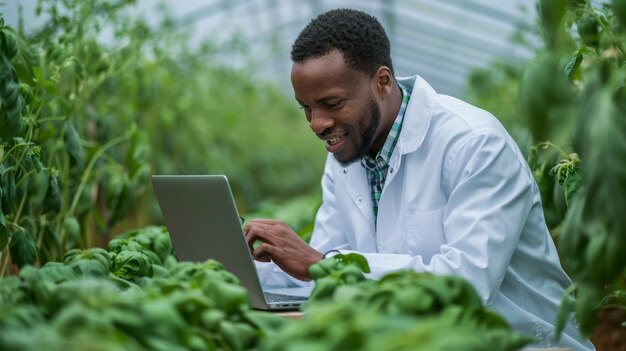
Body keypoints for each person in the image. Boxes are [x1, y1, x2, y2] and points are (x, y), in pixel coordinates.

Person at [244, 8, 594, 350]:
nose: (316, 123)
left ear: (382, 81)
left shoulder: (474, 143)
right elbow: (320, 275)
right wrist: (247, 267)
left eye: (332, 103)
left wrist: (322, 265)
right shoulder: (345, 155)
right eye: (306, 107)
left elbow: (468, 285)